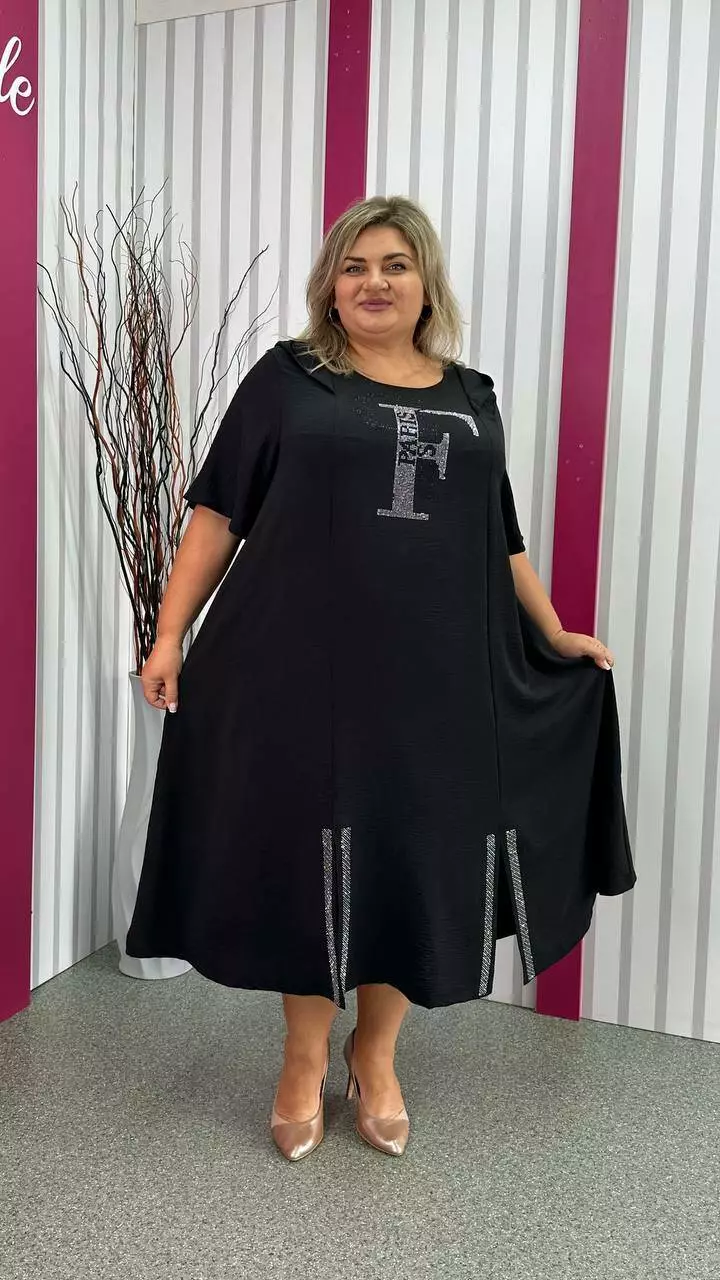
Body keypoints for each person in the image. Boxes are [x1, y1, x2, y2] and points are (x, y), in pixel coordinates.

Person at [126, 195, 636, 1163]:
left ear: (425, 283)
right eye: (354, 266)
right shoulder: (289, 381)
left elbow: (502, 540)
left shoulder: (473, 397)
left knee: (412, 859)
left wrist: (554, 630)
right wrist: (168, 633)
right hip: (302, 676)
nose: (374, 282)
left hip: (439, 683)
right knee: (314, 864)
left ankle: (377, 1055)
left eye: (395, 264)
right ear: (330, 285)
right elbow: (218, 513)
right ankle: (301, 1058)